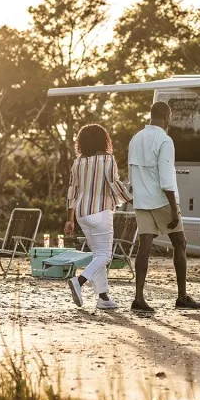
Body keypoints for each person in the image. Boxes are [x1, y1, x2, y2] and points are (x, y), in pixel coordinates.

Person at [127, 101, 200, 313]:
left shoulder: (135, 139)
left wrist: (135, 196)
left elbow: (131, 173)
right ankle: (181, 297)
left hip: (141, 201)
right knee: (180, 243)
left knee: (144, 248)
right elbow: (166, 177)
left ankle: (139, 298)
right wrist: (173, 208)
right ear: (166, 116)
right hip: (161, 200)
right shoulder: (165, 140)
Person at [64, 124, 132, 310]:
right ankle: (79, 281)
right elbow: (114, 183)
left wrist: (70, 219)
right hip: (101, 212)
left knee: (97, 255)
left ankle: (103, 297)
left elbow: (72, 191)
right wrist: (131, 199)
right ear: (104, 140)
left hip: (81, 213)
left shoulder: (78, 162)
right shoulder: (107, 160)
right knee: (105, 255)